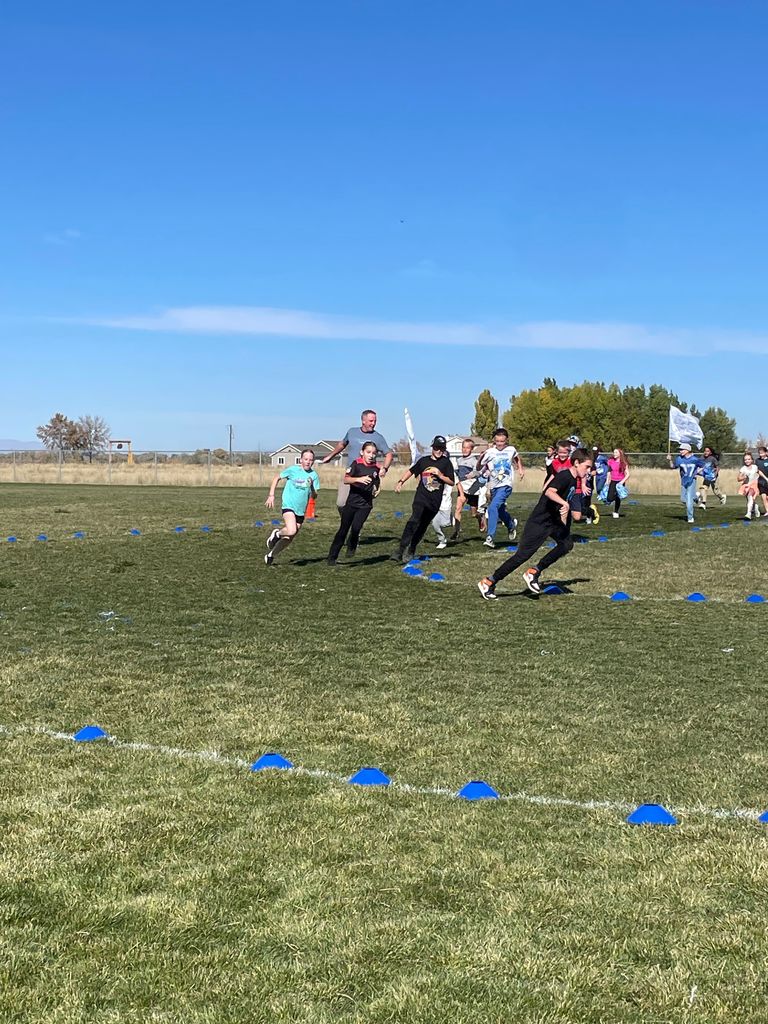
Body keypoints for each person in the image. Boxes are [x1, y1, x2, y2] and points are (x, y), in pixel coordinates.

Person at [477, 448, 593, 599]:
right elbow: (549, 492)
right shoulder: (565, 476)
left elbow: (566, 507)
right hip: (540, 522)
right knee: (522, 556)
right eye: (587, 467)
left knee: (566, 544)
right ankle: (489, 581)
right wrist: (564, 504)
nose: (589, 470)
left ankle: (534, 571)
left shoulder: (574, 479)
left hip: (553, 521)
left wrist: (571, 512)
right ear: (577, 463)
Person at [392, 435, 455, 562]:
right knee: (414, 520)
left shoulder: (446, 463)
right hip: (421, 498)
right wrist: (401, 482)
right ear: (432, 447)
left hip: (434, 502)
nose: (439, 451)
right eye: (437, 448)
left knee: (422, 526)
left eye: (442, 449)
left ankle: (412, 549)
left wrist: (441, 475)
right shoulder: (424, 461)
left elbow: (451, 481)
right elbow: (411, 471)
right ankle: (400, 550)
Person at [320, 409, 393, 510]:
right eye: (371, 421)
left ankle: (355, 523)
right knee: (341, 504)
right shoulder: (352, 432)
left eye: (375, 421)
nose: (374, 423)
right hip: (351, 474)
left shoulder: (378, 438)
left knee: (361, 506)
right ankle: (347, 522)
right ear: (363, 421)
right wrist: (330, 456)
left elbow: (389, 454)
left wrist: (384, 468)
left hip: (367, 476)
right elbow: (342, 444)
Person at [327, 441, 380, 565]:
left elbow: (377, 481)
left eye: (373, 453)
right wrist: (358, 479)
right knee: (343, 530)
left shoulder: (376, 467)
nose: (371, 455)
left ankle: (352, 545)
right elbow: (346, 479)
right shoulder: (356, 464)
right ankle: (332, 557)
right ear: (362, 452)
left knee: (356, 527)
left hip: (365, 505)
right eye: (368, 452)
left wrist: (377, 489)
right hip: (351, 503)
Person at [264, 449, 320, 565]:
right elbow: (276, 478)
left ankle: (271, 555)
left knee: (290, 537)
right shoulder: (293, 470)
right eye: (306, 459)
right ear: (301, 460)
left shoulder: (314, 475)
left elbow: (314, 496)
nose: (308, 462)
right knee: (291, 530)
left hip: (301, 510)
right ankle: (277, 534)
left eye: (310, 460)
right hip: (288, 505)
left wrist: (312, 488)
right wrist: (271, 495)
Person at [478, 427, 525, 548]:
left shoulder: (511, 450)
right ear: (494, 440)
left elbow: (516, 457)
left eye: (502, 441)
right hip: (494, 486)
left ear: (506, 440)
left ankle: (490, 537)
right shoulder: (490, 452)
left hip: (506, 485)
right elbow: (479, 468)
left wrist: (520, 468)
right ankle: (510, 525)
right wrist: (479, 459)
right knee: (499, 511)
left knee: (492, 507)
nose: (499, 444)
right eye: (497, 441)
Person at [450, 438, 486, 539]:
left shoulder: (474, 461)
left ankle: (480, 518)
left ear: (471, 449)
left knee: (474, 513)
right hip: (462, 488)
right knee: (458, 509)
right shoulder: (459, 460)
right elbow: (457, 473)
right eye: (463, 447)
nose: (465, 450)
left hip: (473, 489)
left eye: (467, 448)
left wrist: (472, 474)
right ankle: (456, 531)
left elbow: (479, 472)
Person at [667, 442, 704, 524]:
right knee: (683, 499)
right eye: (680, 450)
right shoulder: (679, 459)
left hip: (692, 479)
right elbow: (673, 467)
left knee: (689, 500)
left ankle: (690, 517)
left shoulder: (695, 459)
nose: (680, 451)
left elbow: (703, 466)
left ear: (688, 450)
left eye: (682, 449)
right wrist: (670, 460)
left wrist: (697, 472)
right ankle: (696, 497)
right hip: (684, 480)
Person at [696, 445, 727, 510]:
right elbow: (699, 465)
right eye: (705, 451)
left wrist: (715, 475)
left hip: (713, 476)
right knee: (703, 488)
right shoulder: (702, 458)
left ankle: (722, 497)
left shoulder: (712, 458)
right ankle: (703, 503)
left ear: (710, 452)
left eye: (707, 451)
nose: (706, 452)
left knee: (715, 491)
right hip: (707, 477)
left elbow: (718, 467)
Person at [606, 448, 630, 518]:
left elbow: (628, 474)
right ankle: (615, 496)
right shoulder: (611, 461)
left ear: (620, 454)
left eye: (616, 452)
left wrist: (622, 482)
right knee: (609, 498)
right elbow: (609, 472)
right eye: (614, 452)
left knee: (618, 498)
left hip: (620, 482)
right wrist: (607, 481)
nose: (614, 454)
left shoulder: (623, 463)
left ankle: (616, 511)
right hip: (613, 481)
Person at [738, 451, 761, 520]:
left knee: (750, 496)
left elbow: (759, 472)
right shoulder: (743, 469)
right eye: (745, 459)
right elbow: (738, 479)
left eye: (748, 459)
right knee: (749, 499)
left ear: (752, 460)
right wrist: (743, 477)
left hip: (753, 485)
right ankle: (755, 507)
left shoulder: (755, 467)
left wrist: (765, 478)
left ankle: (749, 513)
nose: (747, 461)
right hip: (746, 485)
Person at [755, 445, 768, 517]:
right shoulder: (757, 461)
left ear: (766, 453)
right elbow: (756, 470)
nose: (761, 455)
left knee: (767, 498)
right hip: (761, 482)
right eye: (759, 453)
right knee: (763, 497)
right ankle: (767, 511)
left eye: (762, 453)